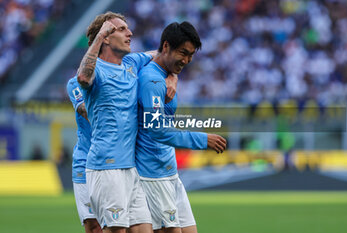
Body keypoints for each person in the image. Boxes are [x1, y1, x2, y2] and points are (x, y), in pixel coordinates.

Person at [77, 12, 177, 233]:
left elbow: (168, 57)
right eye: (121, 29)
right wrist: (100, 34)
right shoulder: (96, 71)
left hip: (131, 169)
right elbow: (83, 78)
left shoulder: (131, 62)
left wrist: (172, 76)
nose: (129, 33)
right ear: (105, 37)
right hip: (106, 168)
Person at [136, 22, 227, 233]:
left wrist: (173, 76)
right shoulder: (151, 81)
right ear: (166, 46)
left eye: (191, 55)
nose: (186, 60)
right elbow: (157, 129)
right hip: (152, 175)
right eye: (183, 53)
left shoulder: (165, 73)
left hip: (168, 170)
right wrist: (203, 140)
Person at [67, 76, 102, 233]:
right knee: (93, 225)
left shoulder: (121, 79)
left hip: (115, 161)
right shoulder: (75, 83)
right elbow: (84, 110)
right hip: (84, 159)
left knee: (120, 223)